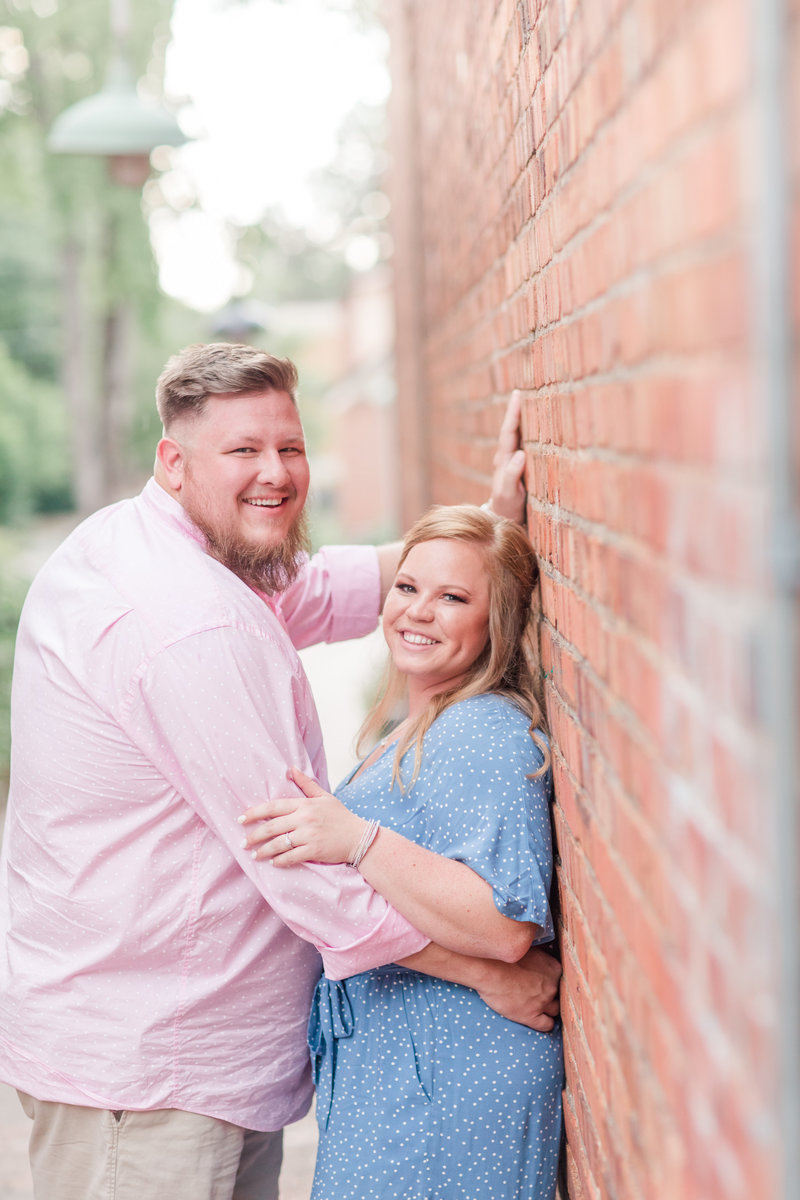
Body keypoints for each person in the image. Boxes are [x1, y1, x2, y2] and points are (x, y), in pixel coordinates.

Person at [0, 342, 560, 1200]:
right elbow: (299, 864)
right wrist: (486, 970)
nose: (276, 473)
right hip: (152, 1075)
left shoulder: (154, 542)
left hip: (156, 1046)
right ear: (174, 460)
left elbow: (310, 586)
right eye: (243, 452)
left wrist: (473, 547)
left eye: (289, 447)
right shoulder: (188, 626)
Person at [241, 505, 564, 1199]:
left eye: (453, 597)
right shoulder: (422, 724)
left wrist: (356, 839)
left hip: (450, 1080)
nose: (418, 612)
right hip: (403, 1073)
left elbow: (506, 927)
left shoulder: (483, 733)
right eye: (408, 587)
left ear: (496, 623)